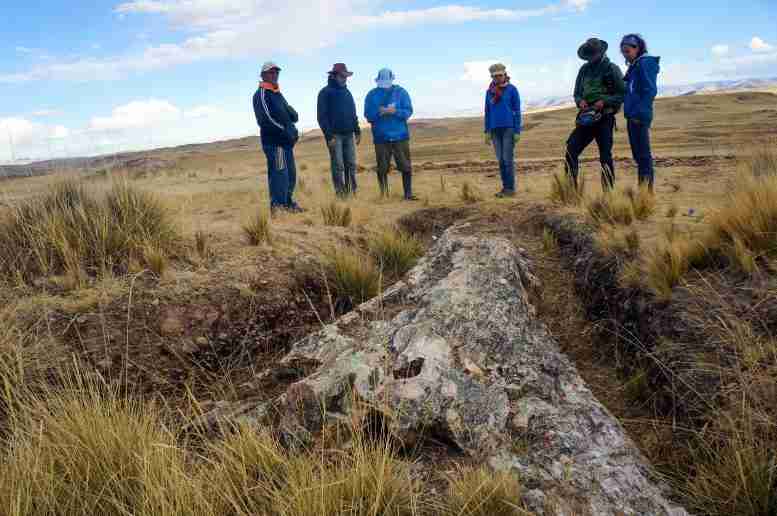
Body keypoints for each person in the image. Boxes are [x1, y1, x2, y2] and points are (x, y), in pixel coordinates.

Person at [565, 38, 625, 192]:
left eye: (593, 54)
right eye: (589, 55)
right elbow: (577, 93)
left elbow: (622, 94)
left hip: (605, 117)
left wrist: (604, 101)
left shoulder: (612, 69)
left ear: (601, 52)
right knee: (571, 149)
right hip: (586, 118)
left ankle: (608, 193)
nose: (591, 58)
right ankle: (570, 191)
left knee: (605, 155)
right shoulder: (583, 70)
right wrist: (580, 101)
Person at [252, 61, 303, 213]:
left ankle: (287, 203)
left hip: (285, 143)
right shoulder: (261, 94)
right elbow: (265, 120)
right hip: (275, 144)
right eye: (271, 72)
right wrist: (286, 132)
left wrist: (292, 119)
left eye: (276, 72)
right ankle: (278, 207)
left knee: (290, 174)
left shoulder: (277, 93)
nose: (274, 75)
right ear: (263, 75)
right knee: (280, 174)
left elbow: (287, 115)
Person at [364, 68, 418, 200]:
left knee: (405, 166)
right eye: (382, 82)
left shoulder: (401, 92)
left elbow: (408, 111)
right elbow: (368, 115)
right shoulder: (371, 95)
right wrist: (379, 112)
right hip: (381, 137)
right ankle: (384, 195)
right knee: (382, 168)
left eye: (386, 81)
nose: (385, 84)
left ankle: (408, 194)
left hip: (400, 136)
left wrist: (395, 111)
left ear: (392, 79)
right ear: (378, 81)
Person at [621, 34, 660, 193]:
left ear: (637, 48)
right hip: (632, 116)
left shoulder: (645, 63)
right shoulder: (635, 65)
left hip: (639, 117)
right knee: (639, 157)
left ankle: (646, 195)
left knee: (643, 157)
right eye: (623, 52)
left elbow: (650, 90)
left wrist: (638, 114)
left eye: (628, 51)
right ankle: (644, 192)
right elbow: (628, 89)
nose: (625, 54)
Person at [317, 63, 361, 197]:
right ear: (334, 76)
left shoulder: (347, 92)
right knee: (338, 165)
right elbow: (322, 117)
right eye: (342, 76)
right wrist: (329, 136)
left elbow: (353, 113)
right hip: (335, 136)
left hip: (349, 134)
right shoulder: (324, 93)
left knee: (351, 164)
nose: (345, 79)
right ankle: (341, 194)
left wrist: (357, 130)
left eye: (346, 76)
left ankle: (352, 192)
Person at [484, 63, 522, 197]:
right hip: (494, 129)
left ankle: (510, 189)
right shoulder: (489, 92)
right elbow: (487, 112)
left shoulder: (512, 90)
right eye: (495, 76)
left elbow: (517, 111)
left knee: (507, 159)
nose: (498, 78)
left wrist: (517, 131)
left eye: (500, 75)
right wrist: (486, 131)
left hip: (508, 128)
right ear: (492, 77)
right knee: (500, 160)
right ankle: (505, 188)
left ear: (505, 74)